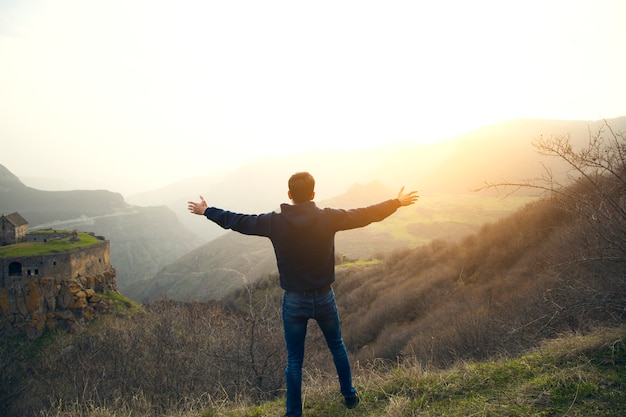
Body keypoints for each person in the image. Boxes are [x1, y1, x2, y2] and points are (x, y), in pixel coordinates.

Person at [188, 172, 418, 417]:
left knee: (295, 360)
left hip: (294, 301)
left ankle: (293, 413)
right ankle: (349, 397)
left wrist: (208, 211)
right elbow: (364, 215)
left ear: (289, 195)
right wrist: (396, 202)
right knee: (337, 346)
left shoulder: (274, 222)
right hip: (324, 297)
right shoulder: (328, 218)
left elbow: (240, 221)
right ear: (313, 194)